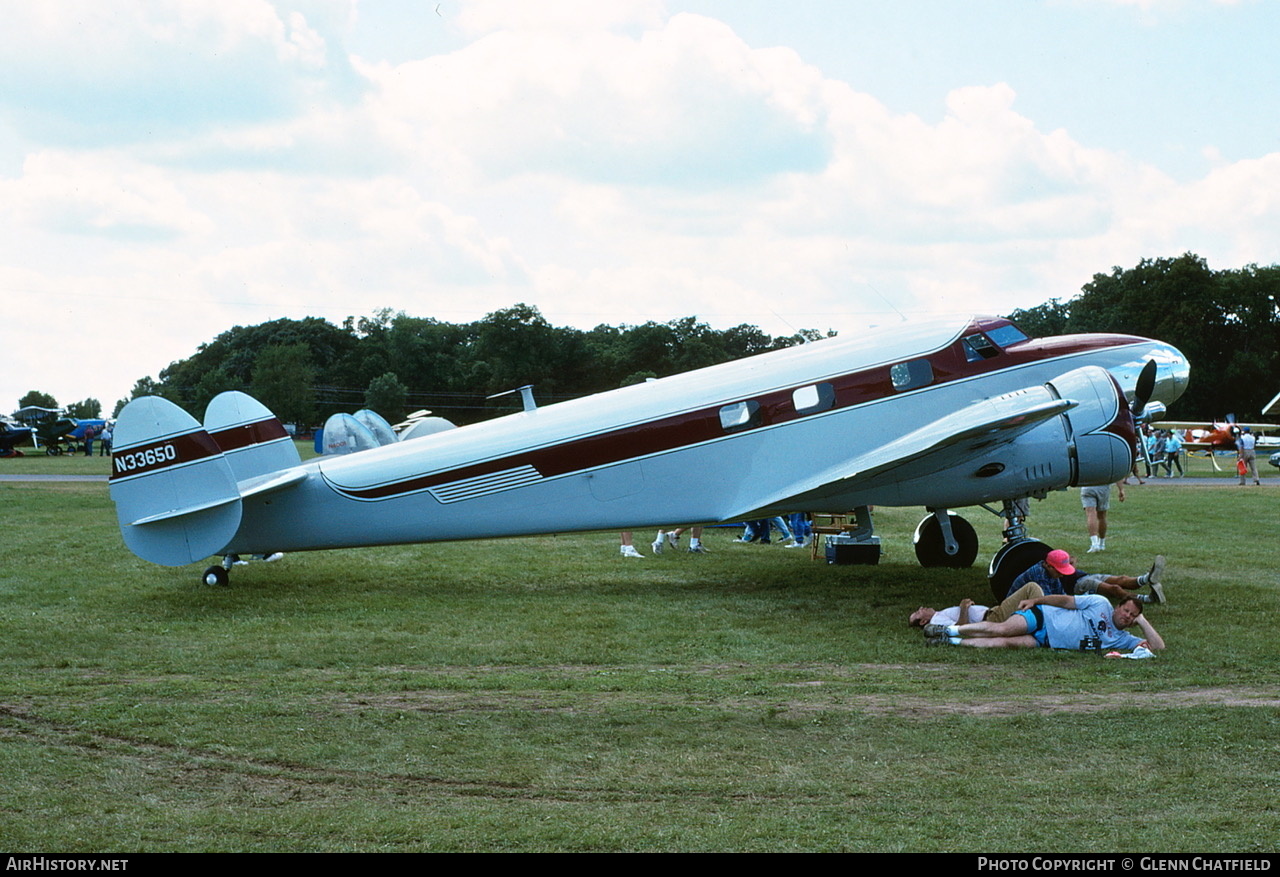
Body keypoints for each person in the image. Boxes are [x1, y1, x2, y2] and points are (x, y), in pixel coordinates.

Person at [923, 593, 1165, 652]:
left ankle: (951, 641)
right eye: (1126, 610)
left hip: (1047, 641)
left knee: (1003, 643)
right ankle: (949, 629)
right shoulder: (1100, 603)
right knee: (1004, 629)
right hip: (1044, 617)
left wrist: (1143, 621)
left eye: (1132, 616)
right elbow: (1065, 601)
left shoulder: (1122, 639)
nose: (1127, 616)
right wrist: (1035, 600)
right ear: (1117, 606)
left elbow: (1158, 648)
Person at [1005, 549, 1166, 605]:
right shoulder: (1039, 576)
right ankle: (1145, 599)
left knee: (1121, 580)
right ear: (1048, 565)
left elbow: (1058, 595)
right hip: (1077, 584)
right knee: (1115, 589)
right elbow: (1047, 601)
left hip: (1083, 577)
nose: (1061, 574)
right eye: (1059, 570)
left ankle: (1147, 579)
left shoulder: (1050, 571)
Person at [908, 583, 1045, 629]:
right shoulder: (936, 620)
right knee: (1030, 588)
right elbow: (960, 628)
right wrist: (963, 608)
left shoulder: (939, 615)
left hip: (994, 612)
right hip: (994, 617)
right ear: (923, 621)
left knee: (1029, 597)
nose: (921, 608)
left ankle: (1045, 613)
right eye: (918, 612)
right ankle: (1046, 615)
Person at [1082, 481, 1124, 553]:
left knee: (1091, 513)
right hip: (1103, 487)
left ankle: (1094, 543)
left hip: (1087, 486)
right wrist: (1121, 489)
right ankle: (1101, 543)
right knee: (1102, 516)